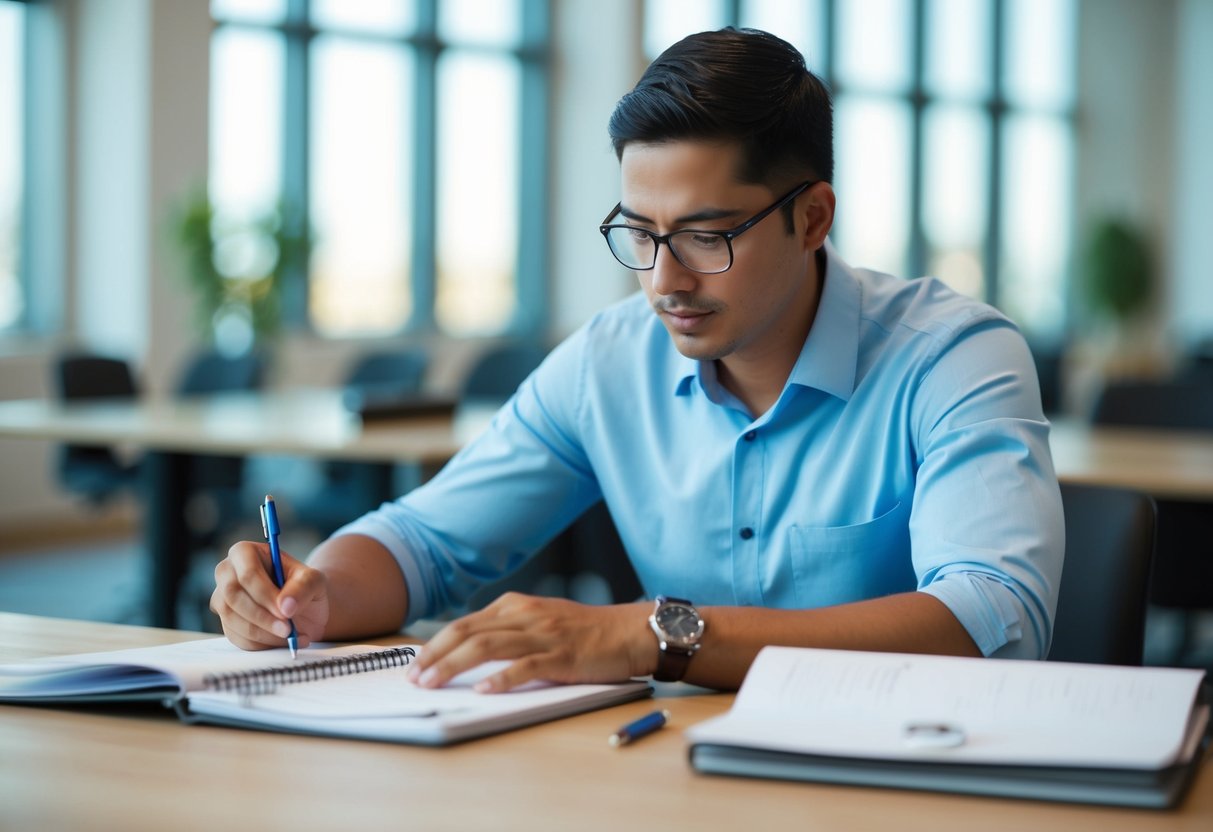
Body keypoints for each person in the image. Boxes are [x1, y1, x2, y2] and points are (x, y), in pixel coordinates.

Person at [211, 27, 1063, 693]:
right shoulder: (608, 361)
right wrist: (313, 594)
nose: (663, 281)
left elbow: (990, 616)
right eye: (640, 233)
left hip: (897, 763)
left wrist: (651, 634)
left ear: (811, 218)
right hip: (676, 767)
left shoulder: (951, 354)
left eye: (704, 235)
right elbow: (426, 543)